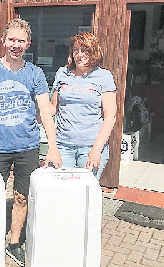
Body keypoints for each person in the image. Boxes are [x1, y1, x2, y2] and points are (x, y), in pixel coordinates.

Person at [0, 18, 62, 267]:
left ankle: (14, 242)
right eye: (12, 40)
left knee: (21, 197)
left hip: (27, 148)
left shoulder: (35, 73)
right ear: (3, 41)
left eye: (21, 41)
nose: (16, 45)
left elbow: (45, 111)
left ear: (28, 43)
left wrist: (52, 147)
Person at [50, 31, 117, 179]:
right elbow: (53, 107)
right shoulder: (62, 73)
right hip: (62, 145)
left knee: (85, 194)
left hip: (90, 147)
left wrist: (96, 150)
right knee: (59, 190)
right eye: (76, 50)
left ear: (94, 51)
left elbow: (110, 117)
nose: (80, 54)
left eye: (85, 50)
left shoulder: (104, 76)